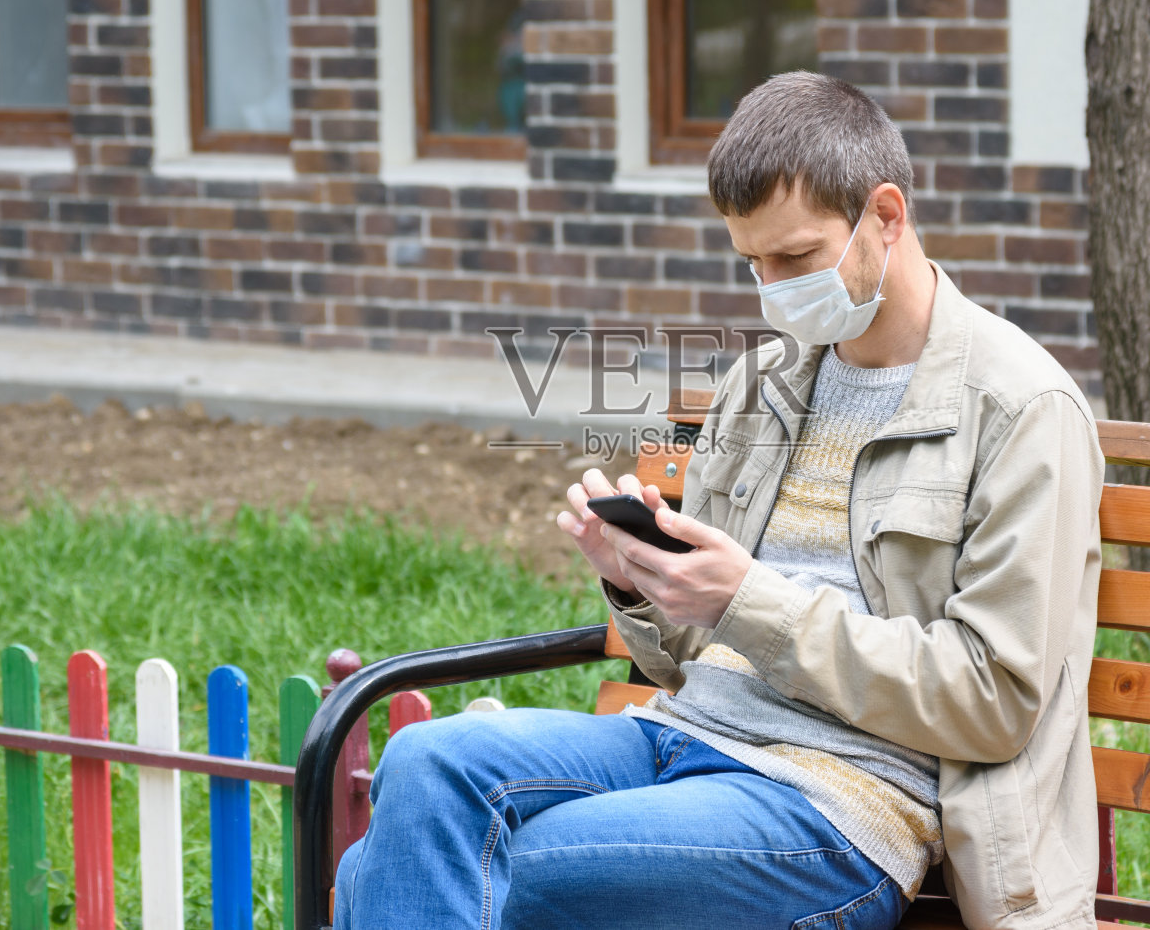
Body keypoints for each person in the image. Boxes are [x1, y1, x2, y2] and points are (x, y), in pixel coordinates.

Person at [333, 72, 1104, 930]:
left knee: (407, 869)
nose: (771, 290)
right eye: (752, 262)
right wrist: (640, 584)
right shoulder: (760, 387)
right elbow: (694, 655)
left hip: (837, 799)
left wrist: (752, 601)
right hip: (683, 737)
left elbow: (992, 699)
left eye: (796, 258)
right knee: (426, 762)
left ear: (886, 216)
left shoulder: (1022, 409)